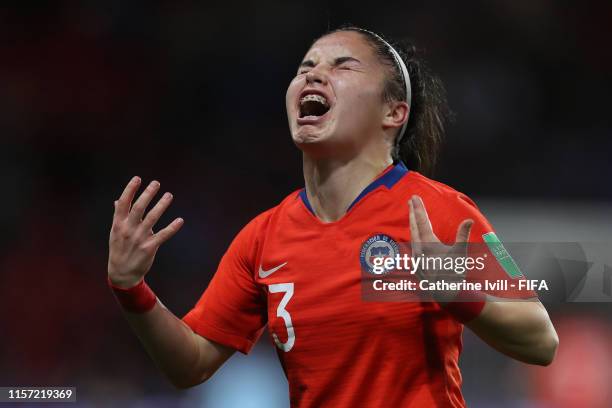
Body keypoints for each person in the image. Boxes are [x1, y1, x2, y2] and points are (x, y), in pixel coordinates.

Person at [107, 26, 558, 407]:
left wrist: (458, 294)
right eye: (305, 68)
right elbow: (192, 363)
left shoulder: (436, 211)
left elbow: (541, 341)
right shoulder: (264, 237)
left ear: (393, 112)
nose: (314, 75)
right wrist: (132, 290)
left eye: (342, 66)